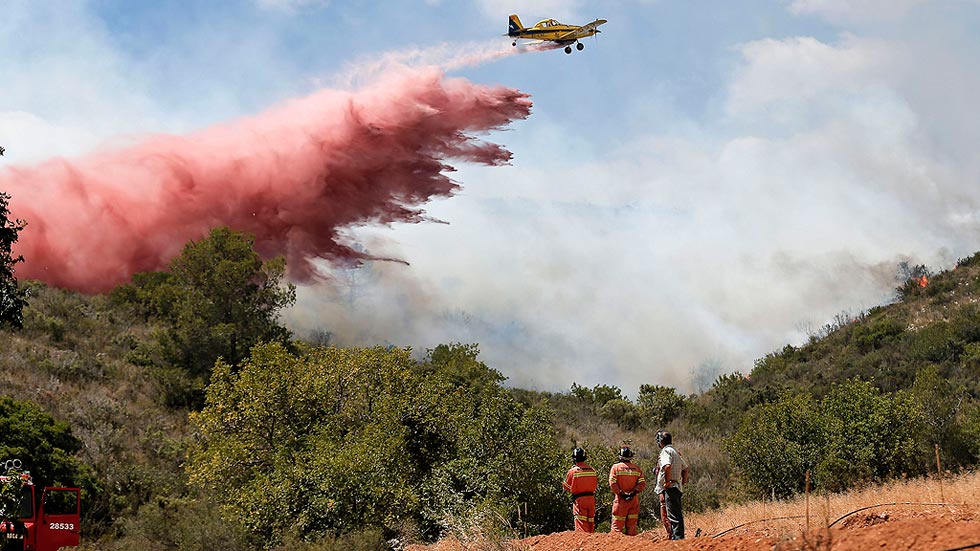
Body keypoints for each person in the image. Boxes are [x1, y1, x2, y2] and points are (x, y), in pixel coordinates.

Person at [655, 429, 689, 540]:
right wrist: (682, 482)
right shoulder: (674, 451)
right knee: (677, 515)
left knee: (673, 517)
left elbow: (667, 466)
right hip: (677, 487)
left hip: (670, 488)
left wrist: (667, 481)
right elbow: (685, 468)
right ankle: (679, 538)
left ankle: (677, 541)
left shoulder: (665, 451)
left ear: (660, 441)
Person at [608, 446, 646, 535]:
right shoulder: (637, 468)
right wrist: (633, 493)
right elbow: (642, 483)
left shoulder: (616, 467)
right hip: (633, 501)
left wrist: (621, 493)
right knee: (632, 527)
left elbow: (612, 483)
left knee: (617, 528)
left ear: (620, 456)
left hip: (620, 500)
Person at [562, 447, 598, 533]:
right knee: (590, 524)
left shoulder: (572, 471)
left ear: (574, 459)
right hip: (591, 499)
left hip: (579, 500)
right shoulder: (592, 470)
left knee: (581, 526)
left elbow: (566, 486)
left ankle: (583, 541)